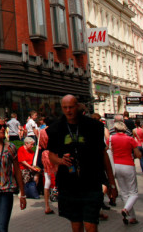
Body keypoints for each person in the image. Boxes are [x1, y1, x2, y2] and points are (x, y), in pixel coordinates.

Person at [47, 95, 117, 232]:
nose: (68, 111)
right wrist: (61, 160)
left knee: (91, 225)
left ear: (77, 106)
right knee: (76, 225)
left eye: (71, 107)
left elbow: (103, 155)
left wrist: (111, 183)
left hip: (91, 182)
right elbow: (51, 155)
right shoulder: (56, 129)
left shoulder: (93, 126)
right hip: (69, 184)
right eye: (65, 108)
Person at [110, 121, 142, 225]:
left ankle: (132, 217)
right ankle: (126, 209)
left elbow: (108, 151)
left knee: (124, 192)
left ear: (115, 130)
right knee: (133, 193)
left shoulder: (110, 139)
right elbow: (138, 154)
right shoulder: (130, 139)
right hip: (128, 165)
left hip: (116, 166)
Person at [38, 126, 57, 215]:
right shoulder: (54, 129)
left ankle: (47, 206)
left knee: (47, 180)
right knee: (58, 176)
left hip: (44, 154)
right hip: (54, 154)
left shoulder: (42, 131)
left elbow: (40, 144)